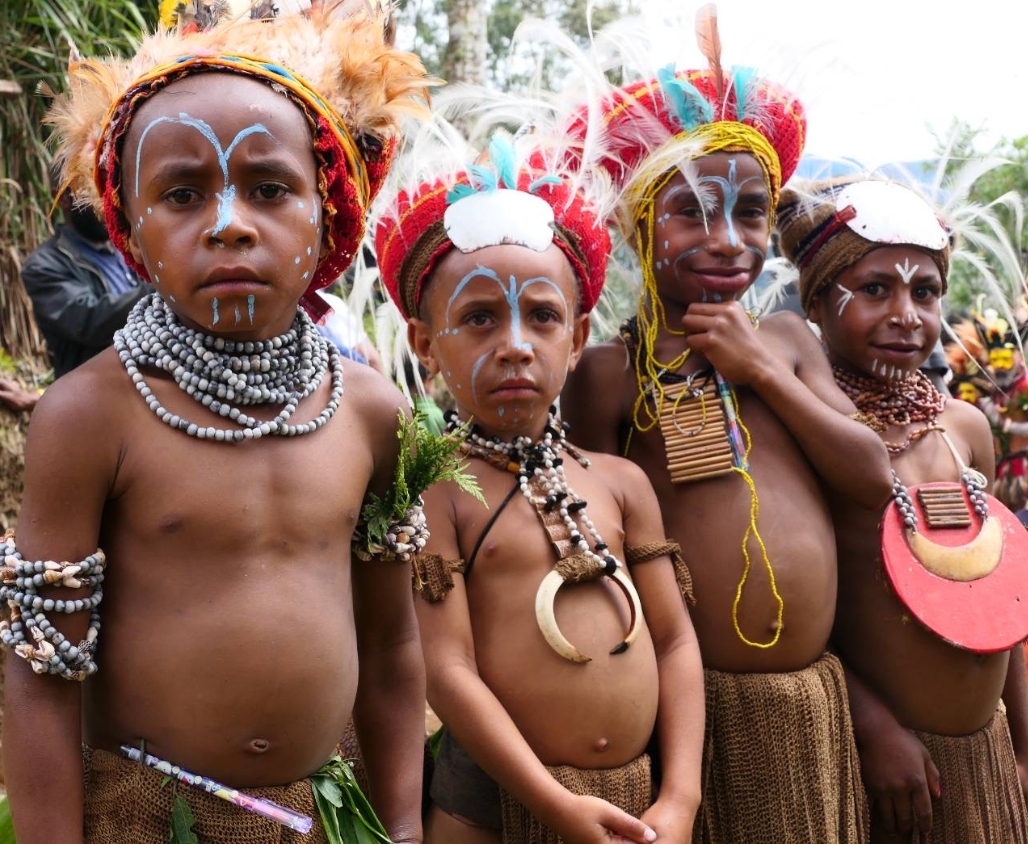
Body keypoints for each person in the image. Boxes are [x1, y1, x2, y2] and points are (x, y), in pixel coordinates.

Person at [1, 4, 437, 842]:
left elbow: (390, 650)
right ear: (131, 224)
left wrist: (406, 826)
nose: (229, 221)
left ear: (330, 209)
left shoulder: (374, 411)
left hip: (325, 817)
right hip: (141, 817)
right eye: (182, 193)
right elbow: (40, 674)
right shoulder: (90, 415)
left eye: (270, 189)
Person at [557, 12, 893, 842]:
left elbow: (871, 479)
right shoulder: (606, 372)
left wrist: (761, 373)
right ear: (639, 220)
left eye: (750, 212)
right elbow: (595, 549)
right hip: (687, 710)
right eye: (693, 211)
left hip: (812, 701)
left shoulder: (784, 342)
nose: (727, 238)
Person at [374, 133, 705, 843]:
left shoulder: (620, 484)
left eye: (543, 316)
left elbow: (676, 642)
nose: (516, 344)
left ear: (579, 336)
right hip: (491, 814)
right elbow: (448, 669)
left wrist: (680, 797)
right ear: (426, 344)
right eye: (480, 318)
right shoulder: (437, 493)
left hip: (637, 806)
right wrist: (551, 805)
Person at [777, 177, 1028, 843]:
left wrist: (1024, 745)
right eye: (875, 289)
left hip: (983, 751)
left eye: (925, 292)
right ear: (818, 300)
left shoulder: (967, 426)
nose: (906, 313)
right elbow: (796, 609)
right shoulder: (809, 430)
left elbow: (1004, 602)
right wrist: (872, 727)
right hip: (879, 764)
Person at [21, 164, 148, 378]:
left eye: (108, 189)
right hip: (95, 395)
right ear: (62, 198)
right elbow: (89, 321)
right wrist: (161, 289)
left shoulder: (129, 248)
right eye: (92, 192)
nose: (104, 202)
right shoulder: (43, 265)